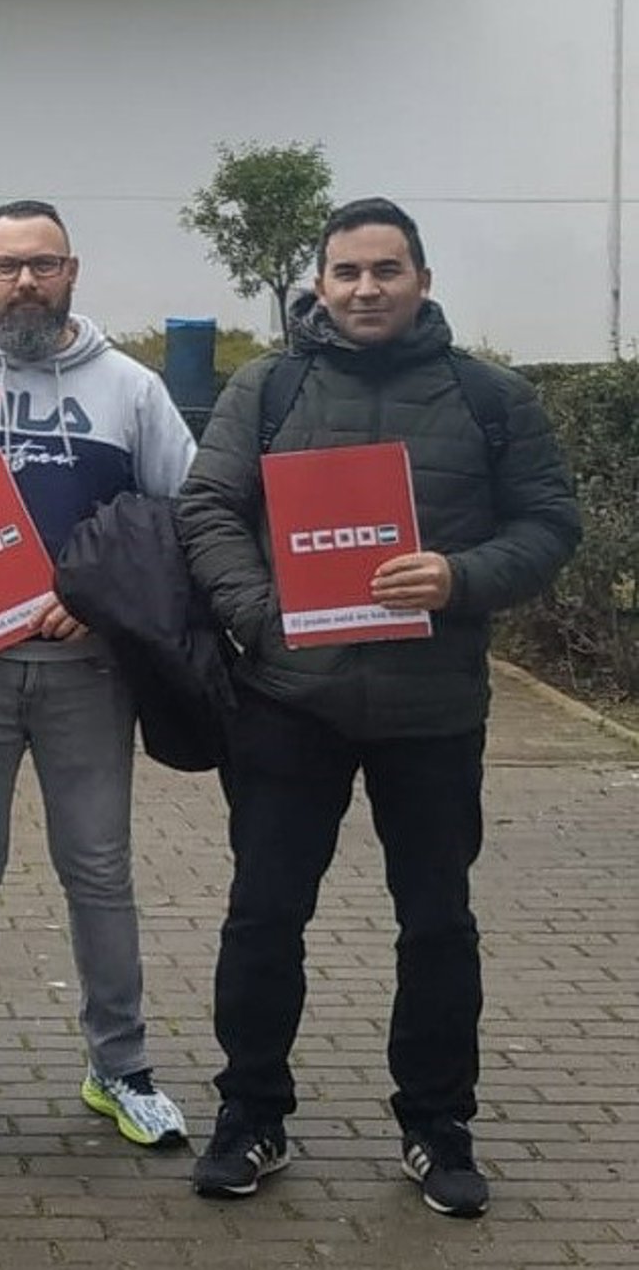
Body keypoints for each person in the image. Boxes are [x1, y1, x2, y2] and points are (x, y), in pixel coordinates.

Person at [179, 198, 582, 1217]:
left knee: (437, 924)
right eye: (348, 272)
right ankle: (251, 1114)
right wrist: (260, 615)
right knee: (264, 916)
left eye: (387, 270)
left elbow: (549, 524)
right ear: (320, 283)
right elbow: (207, 507)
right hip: (289, 702)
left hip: (432, 709)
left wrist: (459, 575)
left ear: (422, 281)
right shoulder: (269, 387)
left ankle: (438, 1126)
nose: (366, 288)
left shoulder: (489, 397)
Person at [0, 201, 196, 1152]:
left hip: (89, 672)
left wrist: (109, 602)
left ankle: (122, 1067)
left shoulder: (131, 389)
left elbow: (186, 520)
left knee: (100, 872)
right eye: (7, 265)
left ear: (73, 271)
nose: (25, 281)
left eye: (44, 263)